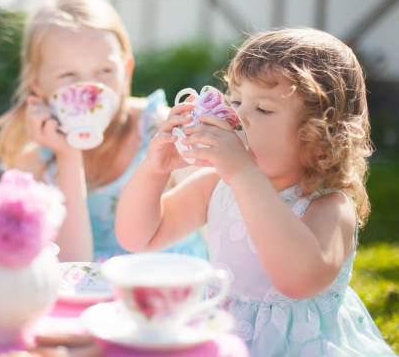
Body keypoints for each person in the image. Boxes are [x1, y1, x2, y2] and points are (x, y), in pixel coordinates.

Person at [115, 28, 395, 356]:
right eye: (235, 100)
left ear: (320, 134)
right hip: (225, 337)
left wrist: (243, 173)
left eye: (262, 109)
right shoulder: (216, 184)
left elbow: (298, 281)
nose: (238, 116)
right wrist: (154, 170)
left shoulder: (330, 206)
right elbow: (139, 237)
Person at [0, 0, 207, 262]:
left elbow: (214, 218)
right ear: (37, 85)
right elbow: (70, 267)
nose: (92, 89)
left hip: (170, 285)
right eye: (68, 75)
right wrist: (68, 156)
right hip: (89, 295)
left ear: (126, 71)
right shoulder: (35, 162)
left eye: (104, 71)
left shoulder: (161, 131)